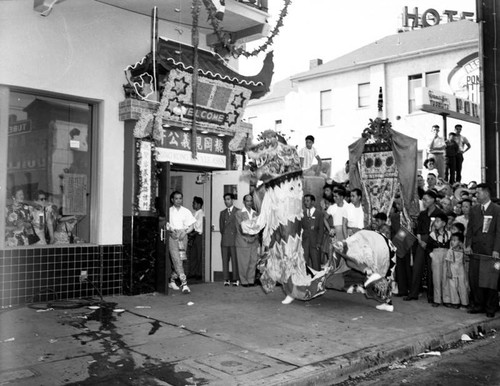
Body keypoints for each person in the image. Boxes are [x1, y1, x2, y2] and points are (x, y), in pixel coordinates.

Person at [465, 183, 500, 317]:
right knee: (475, 279)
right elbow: (469, 230)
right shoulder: (474, 210)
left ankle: (490, 307)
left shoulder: (496, 209)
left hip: (491, 252)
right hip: (476, 250)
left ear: (486, 193)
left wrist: (496, 250)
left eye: (478, 193)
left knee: (490, 280)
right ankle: (478, 304)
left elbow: (498, 232)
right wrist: (467, 245)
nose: (476, 195)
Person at [405, 190, 444, 302]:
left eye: (426, 199)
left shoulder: (439, 213)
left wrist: (430, 242)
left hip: (434, 242)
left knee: (432, 269)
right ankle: (413, 293)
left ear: (433, 200)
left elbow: (441, 230)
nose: (424, 202)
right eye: (423, 200)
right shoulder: (422, 214)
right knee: (417, 267)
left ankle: (432, 296)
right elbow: (418, 229)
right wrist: (420, 240)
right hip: (421, 241)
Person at [167, 191, 196, 294]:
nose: (178, 200)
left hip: (183, 236)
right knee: (176, 259)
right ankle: (184, 284)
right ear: (172, 200)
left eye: (180, 198)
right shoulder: (169, 211)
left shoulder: (186, 211)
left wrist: (185, 232)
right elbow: (165, 226)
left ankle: (172, 280)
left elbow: (192, 226)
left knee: (180, 260)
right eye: (176, 198)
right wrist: (170, 233)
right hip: (173, 237)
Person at [426, 212, 451, 307]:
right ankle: (436, 299)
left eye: (437, 221)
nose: (435, 223)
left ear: (444, 224)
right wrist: (431, 254)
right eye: (435, 221)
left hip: (446, 255)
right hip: (436, 256)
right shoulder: (432, 235)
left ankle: (446, 299)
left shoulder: (448, 234)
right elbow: (428, 247)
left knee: (445, 278)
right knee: (436, 278)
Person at [235, 194, 260, 287]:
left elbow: (258, 227)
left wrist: (255, 236)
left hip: (254, 241)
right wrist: (247, 238)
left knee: (253, 261)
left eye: (250, 201)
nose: (249, 203)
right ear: (244, 202)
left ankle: (250, 280)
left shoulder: (256, 213)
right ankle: (244, 280)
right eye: (247, 201)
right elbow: (239, 228)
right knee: (243, 262)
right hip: (243, 241)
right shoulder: (239, 213)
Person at [219, 193, 240, 286]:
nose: (226, 201)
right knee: (225, 260)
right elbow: (221, 228)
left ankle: (236, 279)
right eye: (225, 199)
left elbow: (240, 227)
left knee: (235, 260)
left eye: (228, 199)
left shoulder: (238, 211)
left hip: (235, 240)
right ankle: (226, 279)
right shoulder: (222, 213)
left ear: (232, 200)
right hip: (225, 240)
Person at [444, 232, 469, 309]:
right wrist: (448, 271)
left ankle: (464, 302)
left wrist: (464, 248)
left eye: (455, 240)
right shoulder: (450, 251)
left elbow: (467, 259)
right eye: (451, 240)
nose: (452, 242)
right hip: (452, 269)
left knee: (462, 285)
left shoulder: (462, 251)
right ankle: (455, 302)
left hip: (461, 270)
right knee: (453, 286)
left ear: (460, 242)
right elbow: (448, 261)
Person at [301, 194, 324, 271]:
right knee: (304, 261)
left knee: (316, 262)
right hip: (305, 242)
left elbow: (321, 230)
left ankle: (317, 279)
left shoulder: (319, 214)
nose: (305, 202)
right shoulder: (302, 214)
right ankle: (306, 278)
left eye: (307, 201)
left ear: (313, 202)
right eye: (304, 201)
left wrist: (319, 243)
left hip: (315, 242)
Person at [188, 196, 204, 280]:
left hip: (198, 236)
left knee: (198, 255)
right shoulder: (195, 213)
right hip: (194, 236)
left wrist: (192, 234)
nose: (193, 204)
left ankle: (199, 273)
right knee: (193, 255)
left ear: (199, 204)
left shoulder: (201, 214)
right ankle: (192, 272)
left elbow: (199, 228)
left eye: (194, 203)